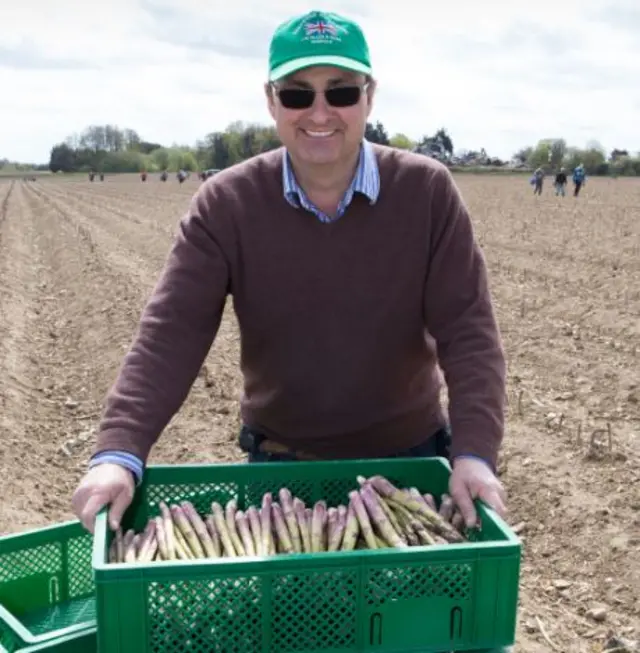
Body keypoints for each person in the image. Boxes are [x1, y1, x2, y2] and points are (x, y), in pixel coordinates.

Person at [72, 9, 508, 536]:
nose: (319, 112)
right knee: (292, 616)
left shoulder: (426, 192)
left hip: (410, 462)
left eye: (341, 92)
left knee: (412, 615)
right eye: (298, 93)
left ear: (369, 96)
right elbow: (172, 333)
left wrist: (475, 454)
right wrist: (119, 452)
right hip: (283, 470)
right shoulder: (227, 203)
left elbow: (468, 332)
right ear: (271, 101)